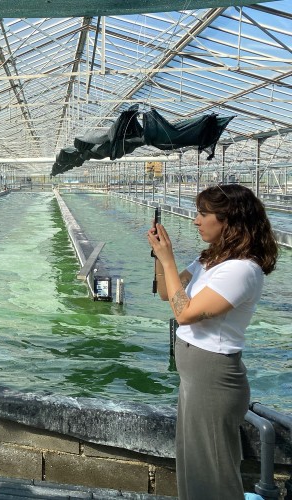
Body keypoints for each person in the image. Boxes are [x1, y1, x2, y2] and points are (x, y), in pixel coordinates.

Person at [147, 183, 278, 500]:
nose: (196, 220)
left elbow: (185, 313)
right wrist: (159, 255)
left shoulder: (241, 270)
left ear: (229, 220)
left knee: (214, 470)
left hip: (214, 377)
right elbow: (168, 293)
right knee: (192, 460)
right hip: (194, 375)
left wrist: (168, 259)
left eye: (203, 214)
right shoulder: (211, 260)